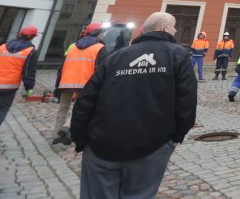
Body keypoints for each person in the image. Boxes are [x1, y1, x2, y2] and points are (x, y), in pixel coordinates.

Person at [70, 12, 197, 199]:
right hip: (152, 145)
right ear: (163, 29)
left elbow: (86, 100)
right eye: (174, 25)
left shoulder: (116, 56)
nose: (176, 29)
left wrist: (81, 139)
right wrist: (176, 136)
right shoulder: (177, 54)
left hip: (101, 144)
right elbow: (186, 100)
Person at [52, 22, 106, 146]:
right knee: (79, 109)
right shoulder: (99, 48)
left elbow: (62, 67)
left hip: (66, 82)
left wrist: (57, 86)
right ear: (99, 33)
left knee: (62, 109)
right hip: (85, 84)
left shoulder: (72, 46)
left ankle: (56, 133)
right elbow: (100, 70)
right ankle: (66, 129)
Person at [0, 25, 39, 128]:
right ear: (33, 37)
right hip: (9, 87)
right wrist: (29, 88)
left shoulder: (3, 47)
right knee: (3, 108)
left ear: (20, 34)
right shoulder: (31, 51)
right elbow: (28, 71)